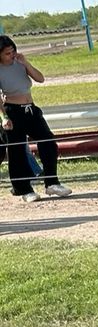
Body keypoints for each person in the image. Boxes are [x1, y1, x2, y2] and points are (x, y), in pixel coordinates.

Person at [0, 37, 70, 203]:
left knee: (47, 141)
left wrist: (26, 63)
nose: (12, 55)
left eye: (13, 51)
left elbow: (40, 78)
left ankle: (52, 182)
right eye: (7, 53)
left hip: (30, 108)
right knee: (17, 150)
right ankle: (23, 188)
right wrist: (3, 117)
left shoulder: (20, 63)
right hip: (12, 110)